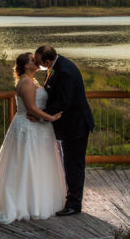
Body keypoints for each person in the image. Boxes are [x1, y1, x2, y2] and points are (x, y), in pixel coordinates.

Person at [0, 52, 66, 224]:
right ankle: (24, 203)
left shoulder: (31, 81)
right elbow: (31, 109)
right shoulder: (26, 83)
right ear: (26, 65)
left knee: (37, 162)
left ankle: (37, 201)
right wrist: (51, 118)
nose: (37, 61)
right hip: (28, 127)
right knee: (26, 162)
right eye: (33, 60)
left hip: (38, 128)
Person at [34, 45, 94, 216]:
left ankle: (74, 205)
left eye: (40, 63)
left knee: (73, 165)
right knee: (70, 163)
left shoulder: (65, 71)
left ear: (47, 61)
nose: (39, 66)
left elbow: (64, 102)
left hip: (76, 125)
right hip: (70, 125)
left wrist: (41, 115)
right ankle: (72, 200)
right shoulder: (58, 66)